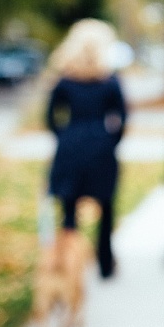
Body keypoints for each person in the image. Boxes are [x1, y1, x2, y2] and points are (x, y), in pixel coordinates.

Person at [45, 18, 128, 279]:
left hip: (70, 147)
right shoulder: (110, 81)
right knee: (106, 206)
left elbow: (50, 117)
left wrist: (64, 136)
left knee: (69, 209)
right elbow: (122, 118)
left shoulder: (64, 81)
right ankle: (105, 262)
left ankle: (68, 263)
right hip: (101, 149)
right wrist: (110, 140)